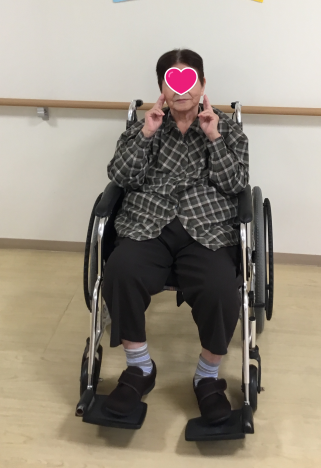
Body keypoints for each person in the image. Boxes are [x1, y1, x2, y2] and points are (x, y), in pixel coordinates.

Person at [101, 49, 249, 425]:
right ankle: (139, 367)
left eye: (189, 81)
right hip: (148, 223)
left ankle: (207, 377)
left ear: (202, 84)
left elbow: (236, 184)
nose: (181, 90)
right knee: (120, 271)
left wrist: (214, 138)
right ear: (162, 88)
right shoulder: (145, 127)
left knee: (220, 288)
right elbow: (120, 176)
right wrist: (146, 134)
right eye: (172, 81)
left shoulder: (228, 129)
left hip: (207, 228)